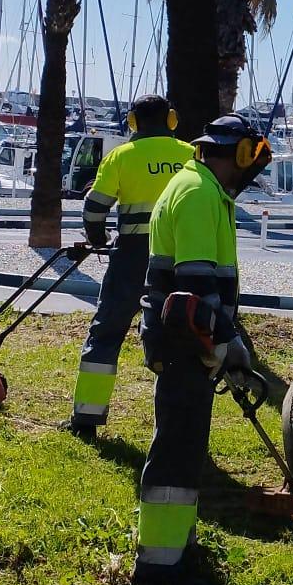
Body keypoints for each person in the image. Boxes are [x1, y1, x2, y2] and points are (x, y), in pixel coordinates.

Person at [133, 113, 272, 585]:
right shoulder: (196, 195)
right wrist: (226, 345)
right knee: (176, 447)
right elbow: (195, 288)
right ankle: (158, 563)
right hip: (184, 340)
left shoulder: (206, 190)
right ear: (235, 152)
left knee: (185, 441)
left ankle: (176, 543)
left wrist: (226, 342)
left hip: (192, 339)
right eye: (250, 155)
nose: (253, 167)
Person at [67, 95, 195, 437]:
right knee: (182, 339)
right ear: (171, 120)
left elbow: (94, 209)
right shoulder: (191, 156)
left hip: (132, 256)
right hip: (181, 259)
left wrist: (97, 238)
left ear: (133, 122)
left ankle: (86, 420)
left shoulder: (121, 156)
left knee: (107, 332)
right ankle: (176, 427)